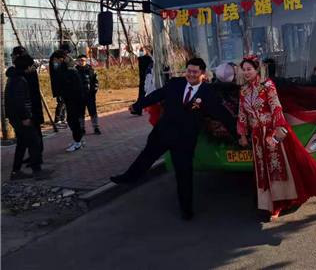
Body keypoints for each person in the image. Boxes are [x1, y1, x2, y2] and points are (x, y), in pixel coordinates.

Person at [110, 58, 238, 221]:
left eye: (195, 72)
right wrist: (138, 105)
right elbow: (157, 95)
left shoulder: (207, 93)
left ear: (203, 73)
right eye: (188, 71)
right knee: (146, 156)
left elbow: (222, 115)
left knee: (184, 174)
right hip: (164, 132)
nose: (191, 75)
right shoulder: (176, 83)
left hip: (184, 140)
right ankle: (128, 177)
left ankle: (186, 210)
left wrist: (239, 135)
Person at [237, 55, 316, 222]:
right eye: (243, 70)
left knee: (297, 162)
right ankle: (275, 205)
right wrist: (242, 134)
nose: (246, 72)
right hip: (258, 137)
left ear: (257, 70)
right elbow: (242, 114)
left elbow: (276, 105)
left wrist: (279, 126)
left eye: (249, 69)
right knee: (265, 171)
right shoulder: (243, 91)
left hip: (274, 131)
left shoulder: (267, 85)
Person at [6, 56, 53, 180]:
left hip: (15, 117)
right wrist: (25, 117)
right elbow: (20, 101)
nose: (32, 68)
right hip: (21, 118)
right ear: (27, 66)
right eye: (31, 65)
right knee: (34, 141)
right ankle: (37, 170)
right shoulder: (18, 80)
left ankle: (16, 172)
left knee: (22, 143)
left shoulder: (14, 77)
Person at [10, 47, 45, 166]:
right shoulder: (30, 67)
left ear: (17, 56)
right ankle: (35, 156)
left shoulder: (23, 70)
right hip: (32, 104)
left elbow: (21, 92)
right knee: (33, 132)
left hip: (28, 106)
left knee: (32, 134)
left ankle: (36, 159)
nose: (11, 57)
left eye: (12, 55)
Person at [50, 50, 86, 152]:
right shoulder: (65, 69)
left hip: (74, 100)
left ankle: (78, 142)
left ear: (61, 59)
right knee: (72, 120)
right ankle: (79, 139)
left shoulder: (69, 70)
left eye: (55, 60)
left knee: (73, 121)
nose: (54, 62)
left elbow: (75, 87)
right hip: (70, 99)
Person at [48, 44, 75, 129]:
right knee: (61, 102)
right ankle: (57, 120)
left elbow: (72, 63)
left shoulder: (66, 57)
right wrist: (65, 63)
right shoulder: (55, 57)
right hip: (58, 83)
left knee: (65, 102)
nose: (67, 53)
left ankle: (63, 119)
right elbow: (57, 69)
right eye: (66, 51)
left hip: (66, 83)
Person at [76, 54, 102, 135]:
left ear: (86, 61)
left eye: (83, 60)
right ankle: (81, 128)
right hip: (79, 96)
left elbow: (96, 82)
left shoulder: (91, 70)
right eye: (79, 60)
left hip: (90, 95)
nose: (81, 62)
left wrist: (92, 91)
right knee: (80, 113)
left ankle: (96, 127)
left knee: (93, 112)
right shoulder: (74, 71)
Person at [132, 47, 154, 116]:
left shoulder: (149, 59)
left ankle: (139, 109)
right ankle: (139, 109)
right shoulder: (140, 59)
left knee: (144, 95)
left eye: (142, 51)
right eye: (140, 51)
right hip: (142, 79)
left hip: (147, 79)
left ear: (145, 52)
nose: (141, 52)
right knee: (141, 95)